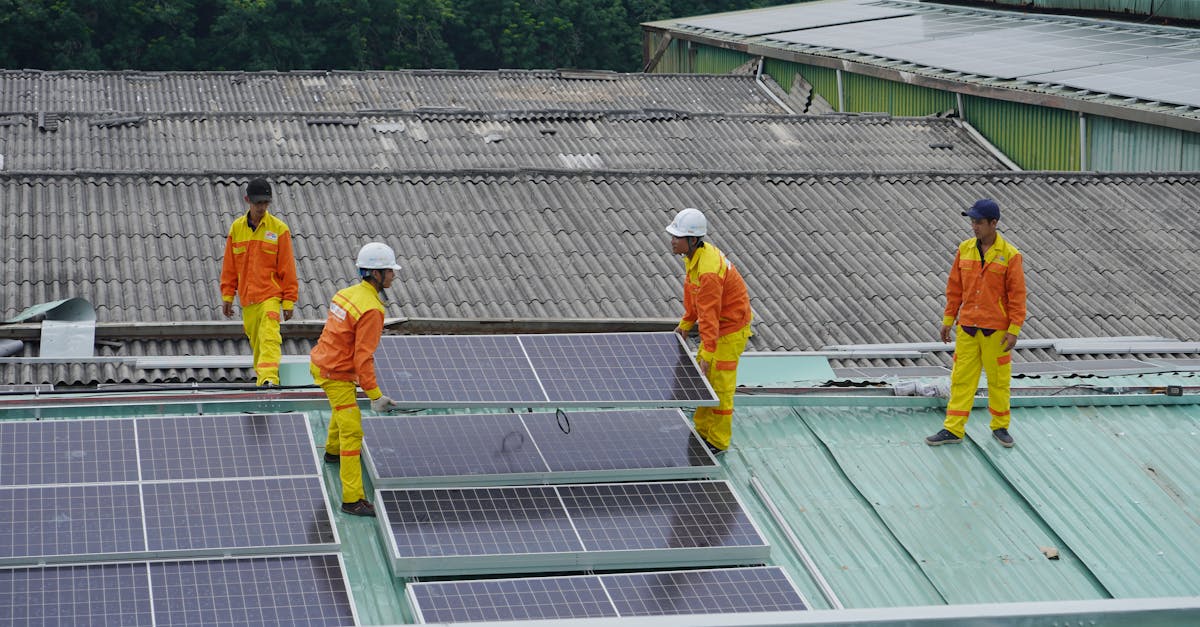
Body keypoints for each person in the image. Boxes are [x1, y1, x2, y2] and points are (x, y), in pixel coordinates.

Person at [309, 242, 402, 517]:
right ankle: (353, 499)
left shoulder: (345, 294)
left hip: (322, 362)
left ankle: (332, 453)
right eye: (389, 271)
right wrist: (375, 395)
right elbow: (364, 357)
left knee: (343, 409)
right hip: (335, 373)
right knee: (353, 430)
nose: (394, 276)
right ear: (376, 274)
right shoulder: (372, 309)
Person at [927, 198, 1027, 448]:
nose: (974, 226)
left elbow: (1017, 296)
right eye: (972, 222)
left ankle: (1000, 427)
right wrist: (948, 319)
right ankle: (953, 429)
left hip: (997, 332)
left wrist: (1014, 329)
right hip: (968, 328)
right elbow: (955, 288)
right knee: (961, 380)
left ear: (994, 223)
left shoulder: (1010, 255)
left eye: (979, 222)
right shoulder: (964, 249)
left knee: (998, 381)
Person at [666, 208, 753, 455]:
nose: (672, 240)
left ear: (692, 240)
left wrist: (708, 355)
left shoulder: (709, 271)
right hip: (716, 328)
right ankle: (703, 430)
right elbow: (694, 299)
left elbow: (710, 315)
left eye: (677, 236)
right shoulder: (694, 257)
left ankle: (718, 441)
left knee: (720, 386)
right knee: (705, 381)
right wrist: (685, 323)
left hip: (729, 329)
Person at [219, 178, 299, 387]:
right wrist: (228, 296)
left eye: (265, 203)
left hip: (270, 296)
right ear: (247, 200)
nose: (262, 207)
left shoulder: (279, 230)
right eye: (258, 203)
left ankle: (270, 379)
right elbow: (229, 267)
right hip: (248, 300)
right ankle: (262, 383)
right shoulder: (236, 229)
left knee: (269, 336)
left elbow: (287, 268)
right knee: (257, 343)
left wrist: (288, 301)